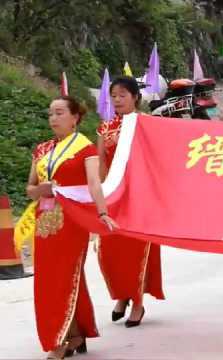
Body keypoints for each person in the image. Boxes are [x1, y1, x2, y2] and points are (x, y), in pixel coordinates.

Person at [28, 96, 118, 359]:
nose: (53, 119)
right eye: (50, 114)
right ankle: (76, 333)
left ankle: (59, 341)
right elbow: (31, 189)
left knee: (63, 276)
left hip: (71, 222)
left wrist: (102, 212)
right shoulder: (42, 150)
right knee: (47, 280)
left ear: (75, 117)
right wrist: (40, 190)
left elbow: (94, 184)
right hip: (44, 222)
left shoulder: (85, 148)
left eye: (59, 113)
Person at [97, 77, 165, 328]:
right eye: (113, 95)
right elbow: (101, 162)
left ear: (135, 97)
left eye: (122, 95)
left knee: (137, 250)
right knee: (110, 251)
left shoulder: (146, 125)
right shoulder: (105, 128)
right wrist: (102, 194)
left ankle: (137, 301)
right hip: (114, 197)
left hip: (139, 199)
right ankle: (121, 295)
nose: (117, 99)